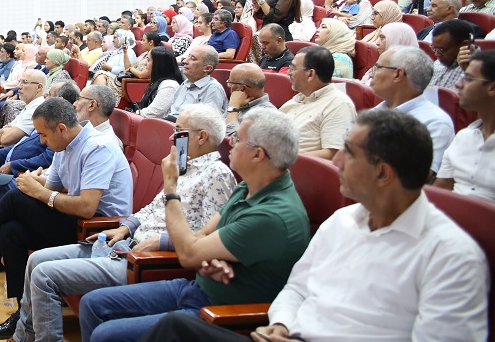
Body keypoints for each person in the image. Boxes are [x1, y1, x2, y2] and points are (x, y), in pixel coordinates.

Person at [140, 110, 489, 342]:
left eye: (349, 153)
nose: (335, 160)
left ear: (383, 173)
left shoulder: (451, 255)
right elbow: (296, 289)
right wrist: (282, 324)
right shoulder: (342, 221)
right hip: (290, 334)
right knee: (175, 327)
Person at [78, 108, 309, 341]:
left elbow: (189, 254)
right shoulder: (249, 186)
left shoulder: (271, 215)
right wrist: (212, 255)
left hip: (218, 311)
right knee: (92, 303)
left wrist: (171, 189)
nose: (230, 143)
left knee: (105, 335)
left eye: (238, 139)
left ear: (258, 155)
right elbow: (204, 233)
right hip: (197, 287)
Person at [14, 105, 236, 342]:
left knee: (45, 275)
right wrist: (125, 226)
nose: (172, 137)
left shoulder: (217, 175)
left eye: (179, 131)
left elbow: (211, 238)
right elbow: (152, 208)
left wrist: (161, 241)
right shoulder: (181, 167)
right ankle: (24, 336)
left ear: (202, 136)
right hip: (125, 240)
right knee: (36, 259)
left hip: (148, 259)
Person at [0, 97, 132, 339]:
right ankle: (21, 314)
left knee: (14, 200)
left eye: (43, 135)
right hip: (75, 219)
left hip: (98, 230)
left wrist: (38, 191)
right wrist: (34, 184)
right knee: (10, 230)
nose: (41, 141)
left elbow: (86, 206)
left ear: (61, 128)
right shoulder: (64, 146)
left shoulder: (98, 147)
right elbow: (50, 188)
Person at [370, 46, 454, 178]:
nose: (371, 74)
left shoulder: (435, 123)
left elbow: (416, 178)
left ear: (398, 74)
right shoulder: (374, 113)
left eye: (378, 67)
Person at [436, 50, 495, 201]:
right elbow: (439, 193)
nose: (458, 84)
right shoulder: (463, 137)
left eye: (468, 79)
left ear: (492, 88)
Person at [280, 47, 357, 159]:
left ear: (310, 74)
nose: (288, 72)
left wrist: (282, 160)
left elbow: (334, 154)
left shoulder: (338, 104)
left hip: (295, 170)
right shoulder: (297, 99)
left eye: (293, 68)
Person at [165, 45, 226, 122]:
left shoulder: (213, 89)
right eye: (188, 56)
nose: (185, 61)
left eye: (193, 59)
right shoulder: (185, 83)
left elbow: (208, 122)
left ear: (207, 68)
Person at [358, 22, 418, 86]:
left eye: (382, 38)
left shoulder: (406, 76)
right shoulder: (381, 65)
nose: (377, 42)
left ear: (397, 41)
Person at [226, 63, 276, 135]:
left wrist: (233, 108)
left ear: (242, 88)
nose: (229, 86)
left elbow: (236, 140)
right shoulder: (240, 103)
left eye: (230, 83)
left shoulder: (266, 115)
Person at [133, 47, 183, 119]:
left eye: (148, 60)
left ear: (159, 64)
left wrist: (133, 114)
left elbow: (153, 113)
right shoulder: (157, 82)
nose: (145, 63)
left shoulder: (169, 86)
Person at [430, 19, 473, 89]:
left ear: (465, 45)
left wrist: (469, 71)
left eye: (441, 49)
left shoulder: (480, 71)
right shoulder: (438, 63)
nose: (436, 54)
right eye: (434, 48)